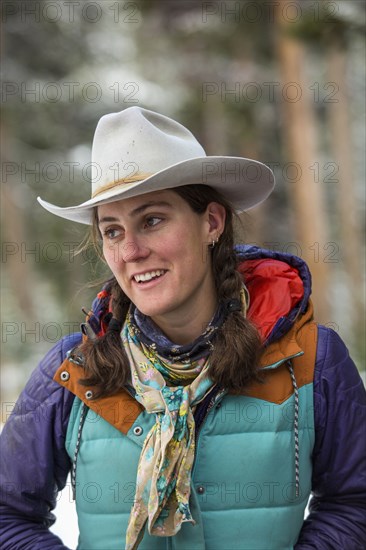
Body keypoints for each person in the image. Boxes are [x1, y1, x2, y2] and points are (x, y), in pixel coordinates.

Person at [0, 107, 365, 550]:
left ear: (211, 221)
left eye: (151, 220)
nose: (131, 251)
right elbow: (8, 515)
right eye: (112, 231)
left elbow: (354, 502)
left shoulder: (310, 358)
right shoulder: (73, 370)